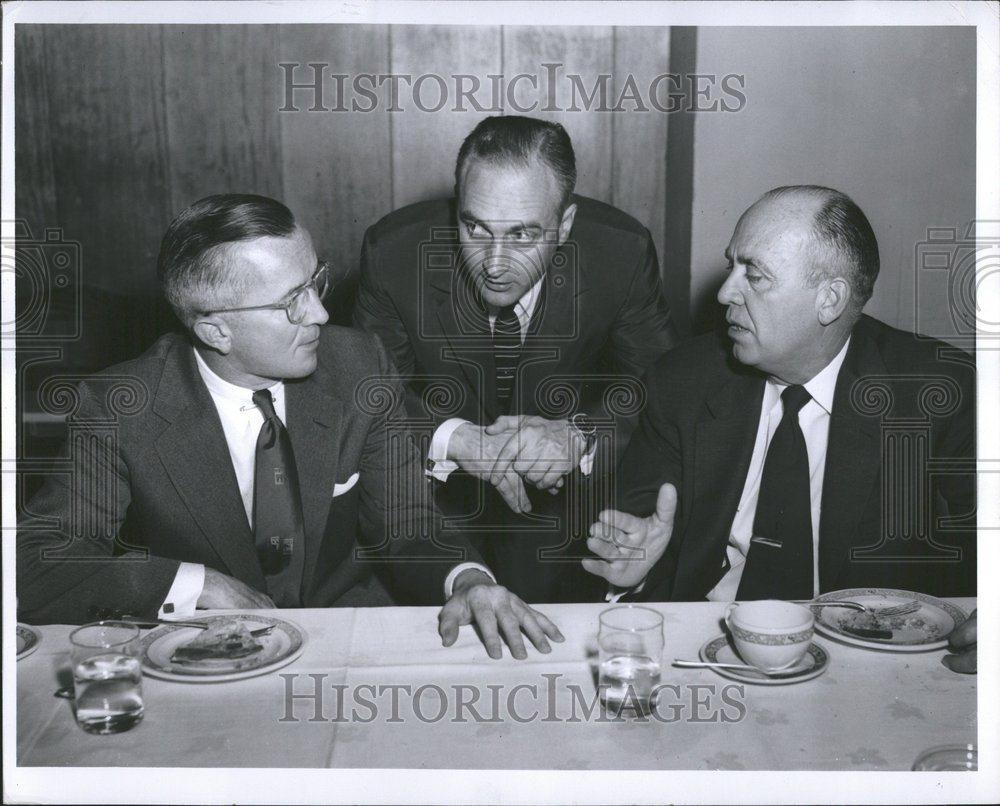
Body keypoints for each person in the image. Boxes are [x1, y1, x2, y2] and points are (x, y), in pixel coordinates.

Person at [17, 194, 562, 661]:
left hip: (352, 642)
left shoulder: (358, 366)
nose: (321, 314)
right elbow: (36, 563)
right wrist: (198, 585)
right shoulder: (120, 408)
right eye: (290, 302)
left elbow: (406, 522)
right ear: (214, 329)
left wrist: (468, 580)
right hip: (202, 661)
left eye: (315, 282)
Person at [584, 185, 975, 603]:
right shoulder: (684, 380)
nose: (725, 293)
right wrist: (638, 568)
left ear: (829, 300)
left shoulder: (938, 390)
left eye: (755, 276)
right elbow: (643, 532)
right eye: (731, 267)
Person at [354, 115, 677, 603]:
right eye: (476, 228)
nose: (496, 263)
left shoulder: (621, 253)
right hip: (429, 514)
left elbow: (658, 384)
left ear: (565, 224)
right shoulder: (393, 253)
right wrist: (453, 438)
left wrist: (579, 433)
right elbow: (372, 395)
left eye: (524, 235)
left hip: (570, 520)